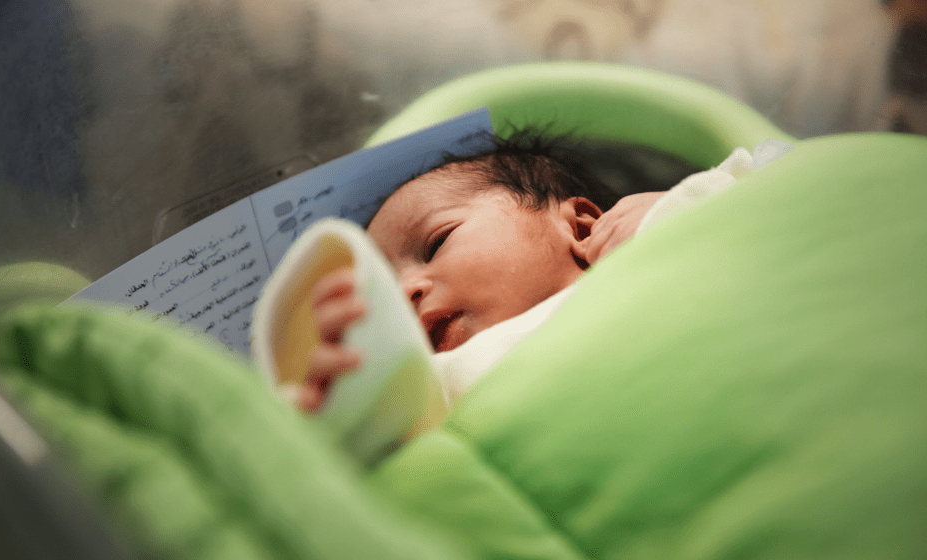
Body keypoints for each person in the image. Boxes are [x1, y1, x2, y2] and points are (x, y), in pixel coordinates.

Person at [297, 130, 771, 411]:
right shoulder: (426, 388)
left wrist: (682, 205)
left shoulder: (654, 241)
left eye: (437, 242)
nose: (405, 293)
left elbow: (795, 201)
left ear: (582, 225)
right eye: (381, 289)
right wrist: (343, 396)